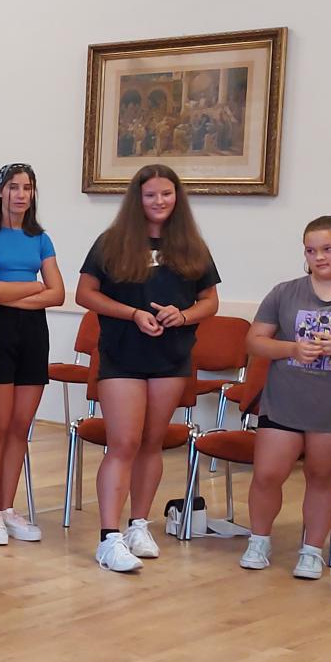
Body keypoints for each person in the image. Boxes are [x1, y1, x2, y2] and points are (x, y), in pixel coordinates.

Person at [76, 164, 221, 573]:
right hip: (123, 354)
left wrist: (184, 315)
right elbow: (85, 294)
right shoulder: (112, 242)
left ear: (177, 197)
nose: (159, 201)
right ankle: (109, 538)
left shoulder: (191, 245)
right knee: (123, 442)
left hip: (171, 356)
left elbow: (210, 301)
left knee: (152, 442)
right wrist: (132, 313)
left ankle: (139, 524)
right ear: (137, 199)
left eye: (166, 194)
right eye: (151, 194)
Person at [242, 217, 331, 579]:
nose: (319, 257)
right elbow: (255, 341)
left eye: (328, 249)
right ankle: (258, 541)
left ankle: (311, 551)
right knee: (267, 473)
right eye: (311, 250)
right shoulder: (285, 292)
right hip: (285, 401)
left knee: (322, 476)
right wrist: (291, 348)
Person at [0, 163, 64, 547]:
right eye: (14, 187)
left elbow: (58, 293)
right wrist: (33, 287)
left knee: (20, 425)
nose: (21, 194)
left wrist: (15, 293)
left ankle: (8, 508)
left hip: (33, 333)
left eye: (27, 187)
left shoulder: (41, 238)